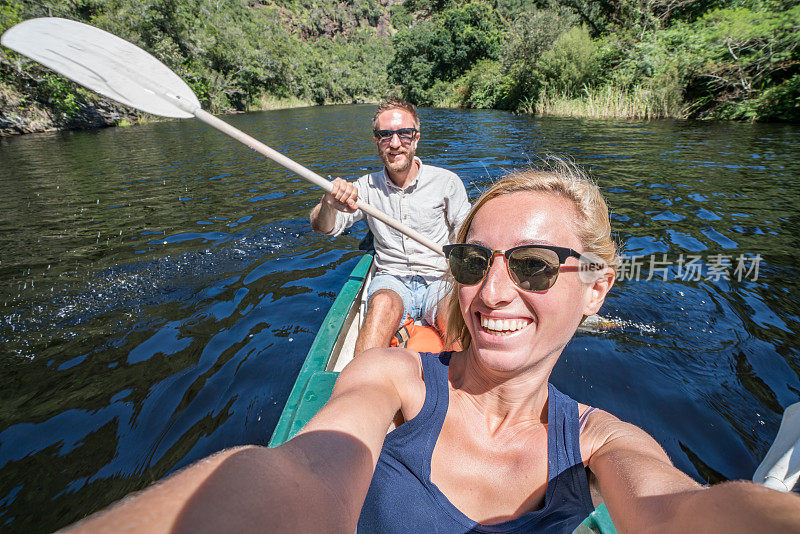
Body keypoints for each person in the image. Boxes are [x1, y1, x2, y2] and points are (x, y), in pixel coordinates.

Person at [68, 164, 800, 533]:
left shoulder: (603, 441)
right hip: (395, 278)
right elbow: (290, 478)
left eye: (537, 265)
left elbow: (682, 511)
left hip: (428, 284)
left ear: (598, 288)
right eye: (475, 263)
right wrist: (335, 202)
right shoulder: (391, 378)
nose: (494, 292)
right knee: (382, 303)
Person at [310, 97, 470, 354]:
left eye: (404, 134)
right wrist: (328, 203)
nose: (395, 143)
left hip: (439, 278)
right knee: (383, 303)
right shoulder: (364, 188)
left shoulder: (446, 183)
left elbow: (469, 236)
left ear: (416, 138)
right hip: (391, 280)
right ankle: (360, 384)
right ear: (376, 140)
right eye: (385, 135)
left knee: (454, 318)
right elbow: (323, 227)